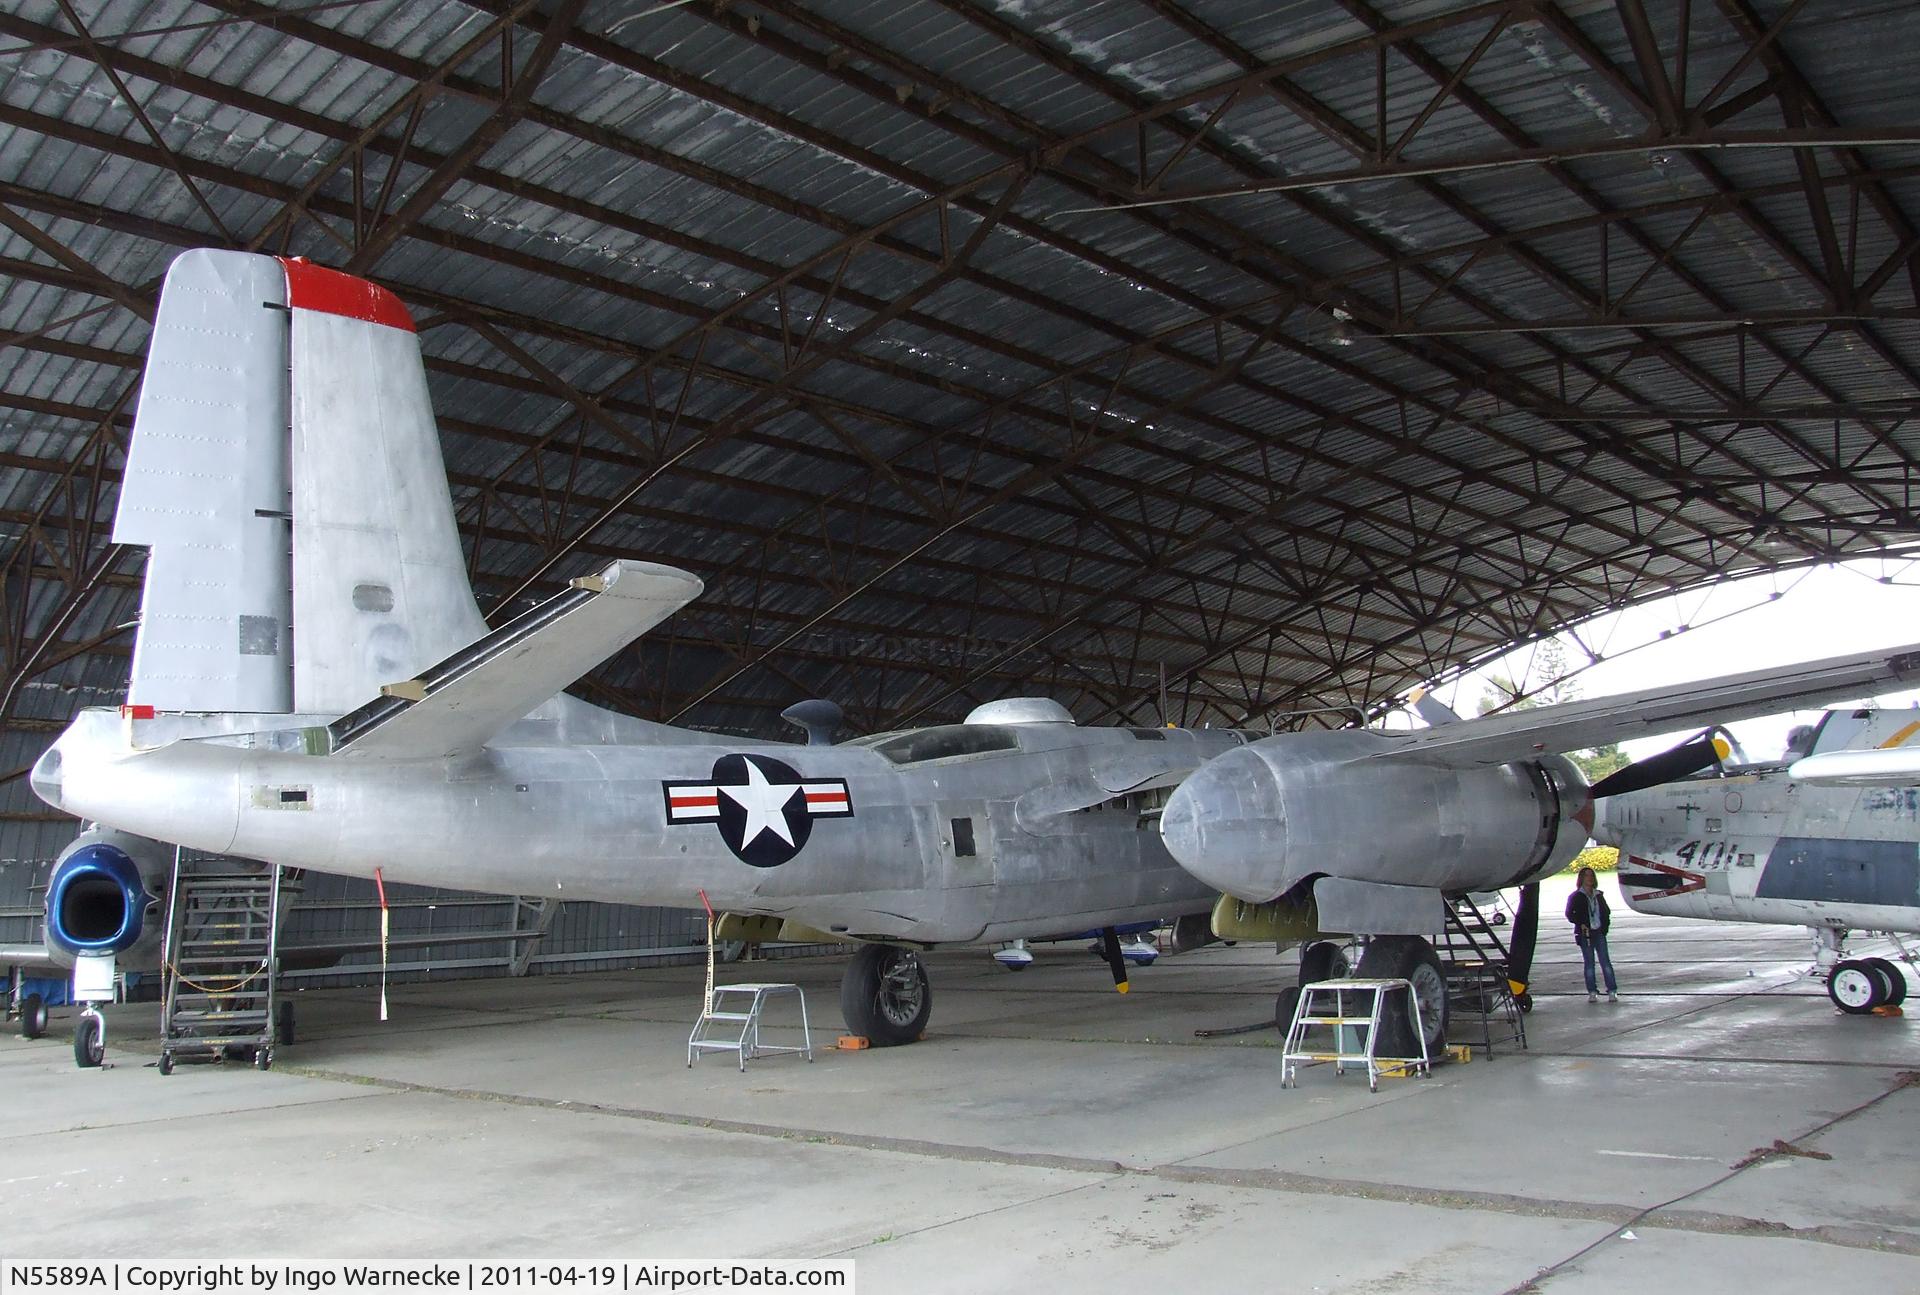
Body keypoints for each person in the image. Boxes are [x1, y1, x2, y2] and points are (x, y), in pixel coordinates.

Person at [1565, 866, 1618, 1002]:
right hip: (1585, 933)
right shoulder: (1576, 896)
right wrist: (1580, 923)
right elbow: (1569, 914)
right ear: (1581, 879)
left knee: (1605, 962)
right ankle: (1592, 991)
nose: (1589, 878)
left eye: (1591, 876)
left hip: (1598, 931)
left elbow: (1606, 912)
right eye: (1587, 876)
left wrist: (1604, 928)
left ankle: (1612, 990)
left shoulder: (1598, 895)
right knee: (1589, 963)